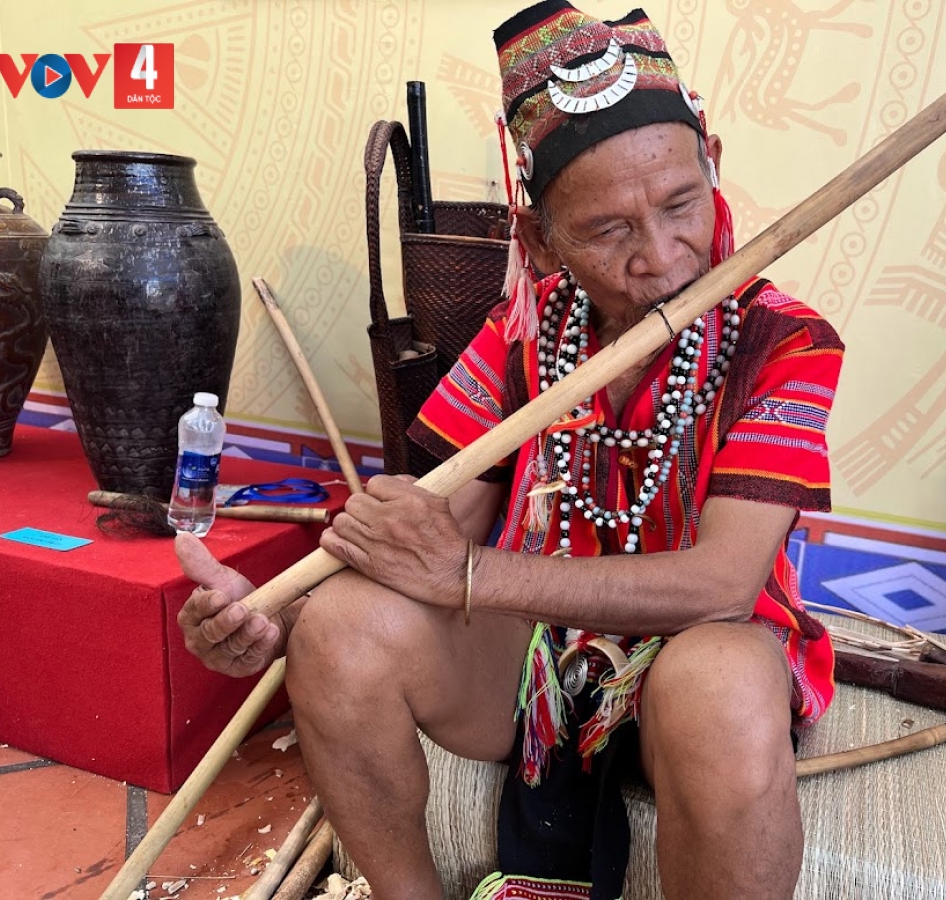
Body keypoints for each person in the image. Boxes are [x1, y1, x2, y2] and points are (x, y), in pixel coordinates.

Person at [176, 2, 843, 898]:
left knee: (719, 684)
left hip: (704, 655)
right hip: (534, 667)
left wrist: (469, 573)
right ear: (539, 238)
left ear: (711, 161)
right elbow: (427, 539)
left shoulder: (785, 341)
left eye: (681, 203)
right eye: (608, 230)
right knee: (338, 629)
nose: (661, 257)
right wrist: (273, 620)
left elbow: (723, 585)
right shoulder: (524, 332)